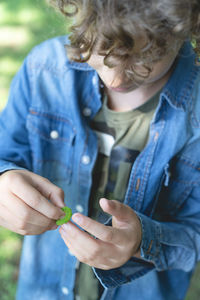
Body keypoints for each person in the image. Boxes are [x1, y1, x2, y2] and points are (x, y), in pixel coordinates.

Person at [0, 0, 200, 299]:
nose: (116, 78)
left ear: (185, 26)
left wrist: (142, 242)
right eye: (98, 50)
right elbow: (6, 151)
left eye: (142, 58)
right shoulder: (44, 69)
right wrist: (5, 180)